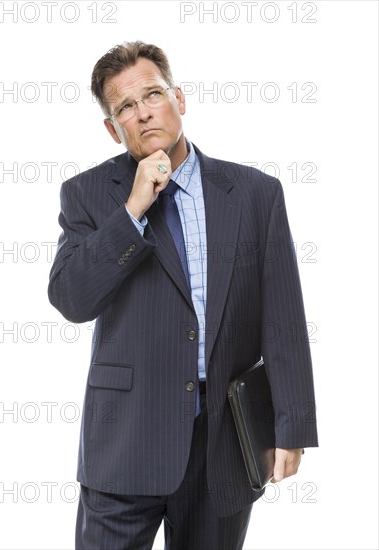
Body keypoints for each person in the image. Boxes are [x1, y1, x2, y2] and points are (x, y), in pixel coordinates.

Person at [48, 41, 318, 550]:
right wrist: (131, 211)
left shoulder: (256, 193)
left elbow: (283, 315)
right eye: (125, 106)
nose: (143, 111)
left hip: (224, 445)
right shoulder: (88, 194)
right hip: (125, 442)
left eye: (152, 94)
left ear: (180, 99)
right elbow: (71, 298)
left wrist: (293, 421)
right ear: (113, 128)